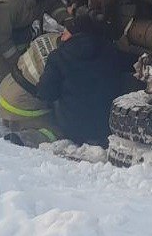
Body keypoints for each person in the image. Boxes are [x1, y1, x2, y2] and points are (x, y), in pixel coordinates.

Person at [35, 10, 140, 146]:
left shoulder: (58, 57)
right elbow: (135, 62)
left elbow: (46, 94)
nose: (62, 35)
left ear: (74, 34)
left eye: (66, 31)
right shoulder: (111, 51)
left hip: (72, 129)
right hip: (105, 127)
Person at [0, 31, 65, 146]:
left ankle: (12, 121)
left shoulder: (47, 37)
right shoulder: (63, 58)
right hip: (20, 106)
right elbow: (50, 93)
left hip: (6, 89)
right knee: (57, 130)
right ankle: (25, 137)